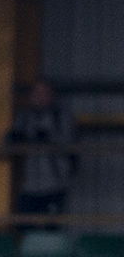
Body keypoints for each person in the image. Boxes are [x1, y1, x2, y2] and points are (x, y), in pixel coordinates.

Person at [8, 80, 77, 222]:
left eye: (44, 93)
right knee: (25, 224)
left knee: (51, 225)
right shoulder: (24, 117)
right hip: (29, 183)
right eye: (36, 93)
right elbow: (11, 139)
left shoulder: (60, 117)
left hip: (54, 183)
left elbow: (69, 142)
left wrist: (48, 137)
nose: (39, 97)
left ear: (52, 96)